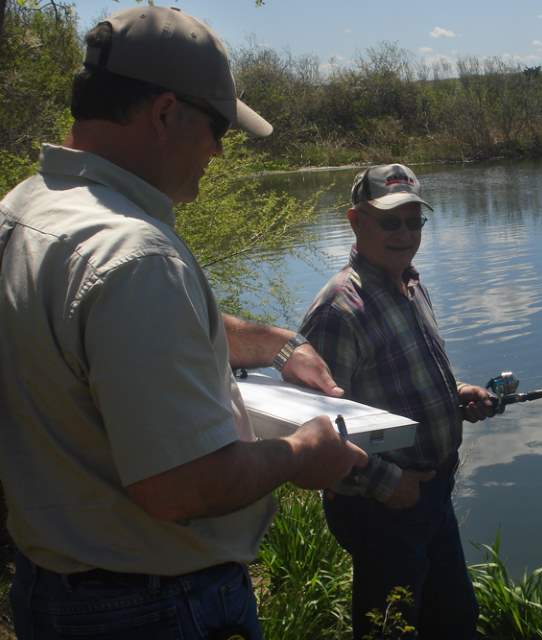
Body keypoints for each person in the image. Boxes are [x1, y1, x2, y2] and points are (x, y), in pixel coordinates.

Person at [0, 7, 367, 639]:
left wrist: (276, 344)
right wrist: (304, 452)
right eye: (218, 126)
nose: (220, 150)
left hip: (51, 592)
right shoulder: (134, 254)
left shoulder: (26, 211)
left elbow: (100, 328)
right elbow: (181, 488)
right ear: (166, 113)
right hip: (153, 610)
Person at [299, 164, 495, 639]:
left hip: (431, 493)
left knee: (454, 622)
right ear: (355, 221)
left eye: (414, 221)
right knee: (391, 629)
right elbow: (311, 431)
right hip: (382, 505)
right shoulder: (338, 310)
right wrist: (386, 481)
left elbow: (402, 378)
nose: (404, 233)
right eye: (390, 222)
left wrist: (456, 394)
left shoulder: (409, 283)